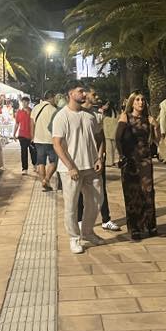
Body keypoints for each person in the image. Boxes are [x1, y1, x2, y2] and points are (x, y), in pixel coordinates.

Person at [52, 81, 105, 254]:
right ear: (70, 93)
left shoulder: (90, 116)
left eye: (84, 92)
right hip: (70, 169)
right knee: (71, 206)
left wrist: (99, 157)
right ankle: (74, 238)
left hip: (91, 166)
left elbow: (99, 137)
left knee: (96, 201)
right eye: (80, 91)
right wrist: (70, 166)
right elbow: (57, 144)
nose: (84, 94)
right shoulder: (62, 116)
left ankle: (88, 232)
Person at [116, 91, 159, 241]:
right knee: (132, 194)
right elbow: (118, 139)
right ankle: (134, 228)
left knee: (148, 192)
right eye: (137, 100)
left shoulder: (148, 119)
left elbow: (156, 140)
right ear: (132, 103)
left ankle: (150, 225)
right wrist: (121, 156)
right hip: (130, 161)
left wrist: (156, 126)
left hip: (145, 160)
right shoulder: (125, 117)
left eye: (143, 100)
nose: (141, 102)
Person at [78, 87, 120, 232]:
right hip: (78, 159)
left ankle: (106, 219)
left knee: (101, 190)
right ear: (85, 95)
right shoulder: (74, 113)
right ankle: (79, 220)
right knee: (78, 192)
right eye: (94, 94)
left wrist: (100, 157)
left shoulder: (96, 116)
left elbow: (100, 138)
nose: (97, 96)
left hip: (94, 160)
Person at [32, 92, 59, 191]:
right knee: (54, 161)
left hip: (38, 139)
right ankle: (46, 180)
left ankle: (44, 181)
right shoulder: (54, 110)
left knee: (41, 162)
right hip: (51, 140)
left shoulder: (36, 108)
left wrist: (32, 136)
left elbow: (32, 123)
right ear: (51, 98)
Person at [13, 97, 36, 175]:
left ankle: (35, 164)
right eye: (23, 102)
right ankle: (24, 168)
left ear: (28, 103)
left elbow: (35, 123)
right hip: (22, 135)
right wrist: (14, 133)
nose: (24, 103)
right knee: (24, 152)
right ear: (21, 103)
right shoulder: (18, 112)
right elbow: (17, 123)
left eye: (26, 102)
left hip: (31, 135)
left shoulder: (32, 111)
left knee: (33, 151)